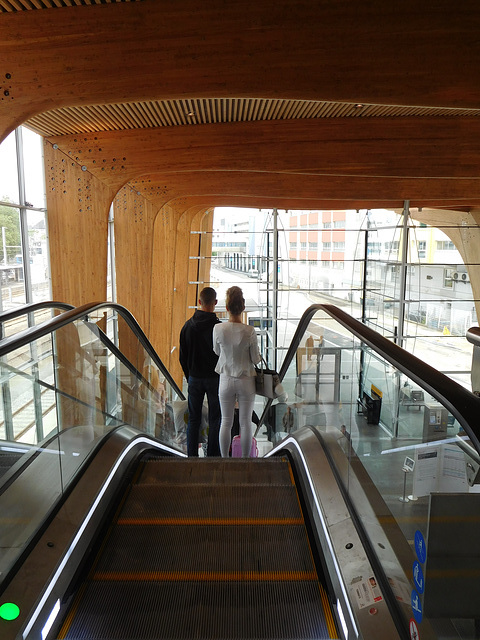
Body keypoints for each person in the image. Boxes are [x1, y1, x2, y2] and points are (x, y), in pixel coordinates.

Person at [213, 286, 261, 457]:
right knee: (245, 422)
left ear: (226, 307)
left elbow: (216, 351)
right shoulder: (250, 331)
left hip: (225, 379)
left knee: (225, 422)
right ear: (243, 308)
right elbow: (255, 359)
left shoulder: (218, 329)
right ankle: (246, 460)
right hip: (246, 380)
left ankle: (225, 459)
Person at [179, 286, 221, 456]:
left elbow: (183, 356)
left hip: (195, 378)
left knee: (194, 419)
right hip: (214, 379)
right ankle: (212, 455)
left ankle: (192, 456)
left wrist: (189, 376)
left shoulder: (187, 326)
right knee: (215, 419)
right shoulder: (219, 329)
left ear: (199, 302)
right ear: (215, 303)